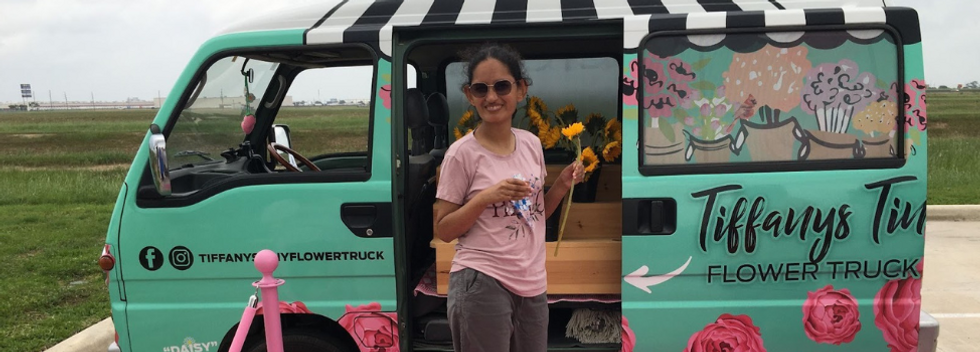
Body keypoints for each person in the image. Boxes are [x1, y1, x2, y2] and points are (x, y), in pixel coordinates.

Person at [432, 43, 585, 352]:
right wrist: (485, 197)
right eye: (480, 89)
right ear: (469, 95)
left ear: (520, 89)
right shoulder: (461, 155)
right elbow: (444, 231)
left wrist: (562, 185)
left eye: (502, 86)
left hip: (532, 283)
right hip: (482, 281)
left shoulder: (531, 144)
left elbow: (535, 213)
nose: (491, 97)